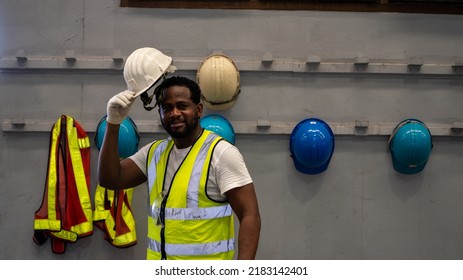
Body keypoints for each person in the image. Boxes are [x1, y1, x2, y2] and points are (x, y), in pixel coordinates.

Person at [98, 76, 261, 260]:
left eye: (182, 106)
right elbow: (110, 179)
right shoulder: (154, 152)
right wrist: (113, 122)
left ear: (198, 110)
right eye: (166, 108)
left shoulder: (221, 153)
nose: (174, 113)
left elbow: (250, 215)